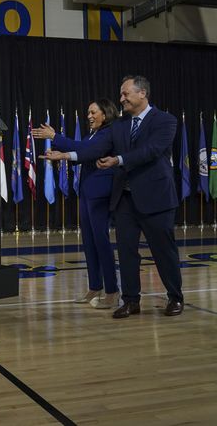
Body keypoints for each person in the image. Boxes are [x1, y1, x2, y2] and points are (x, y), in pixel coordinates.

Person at [36, 76, 184, 318]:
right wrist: (62, 149)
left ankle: (175, 297)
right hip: (125, 199)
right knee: (126, 252)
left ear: (142, 93)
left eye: (126, 94)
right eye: (121, 94)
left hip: (156, 198)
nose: (121, 99)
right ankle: (130, 300)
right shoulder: (119, 125)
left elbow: (151, 151)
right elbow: (93, 149)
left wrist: (119, 160)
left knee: (163, 252)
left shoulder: (166, 121)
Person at [36, 99, 120, 309]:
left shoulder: (108, 133)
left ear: (106, 114)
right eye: (88, 113)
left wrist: (55, 138)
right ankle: (94, 287)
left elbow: (87, 150)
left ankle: (112, 291)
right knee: (89, 243)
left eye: (93, 112)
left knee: (101, 242)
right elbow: (83, 151)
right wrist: (61, 154)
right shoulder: (92, 134)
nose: (89, 116)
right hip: (86, 193)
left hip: (100, 194)